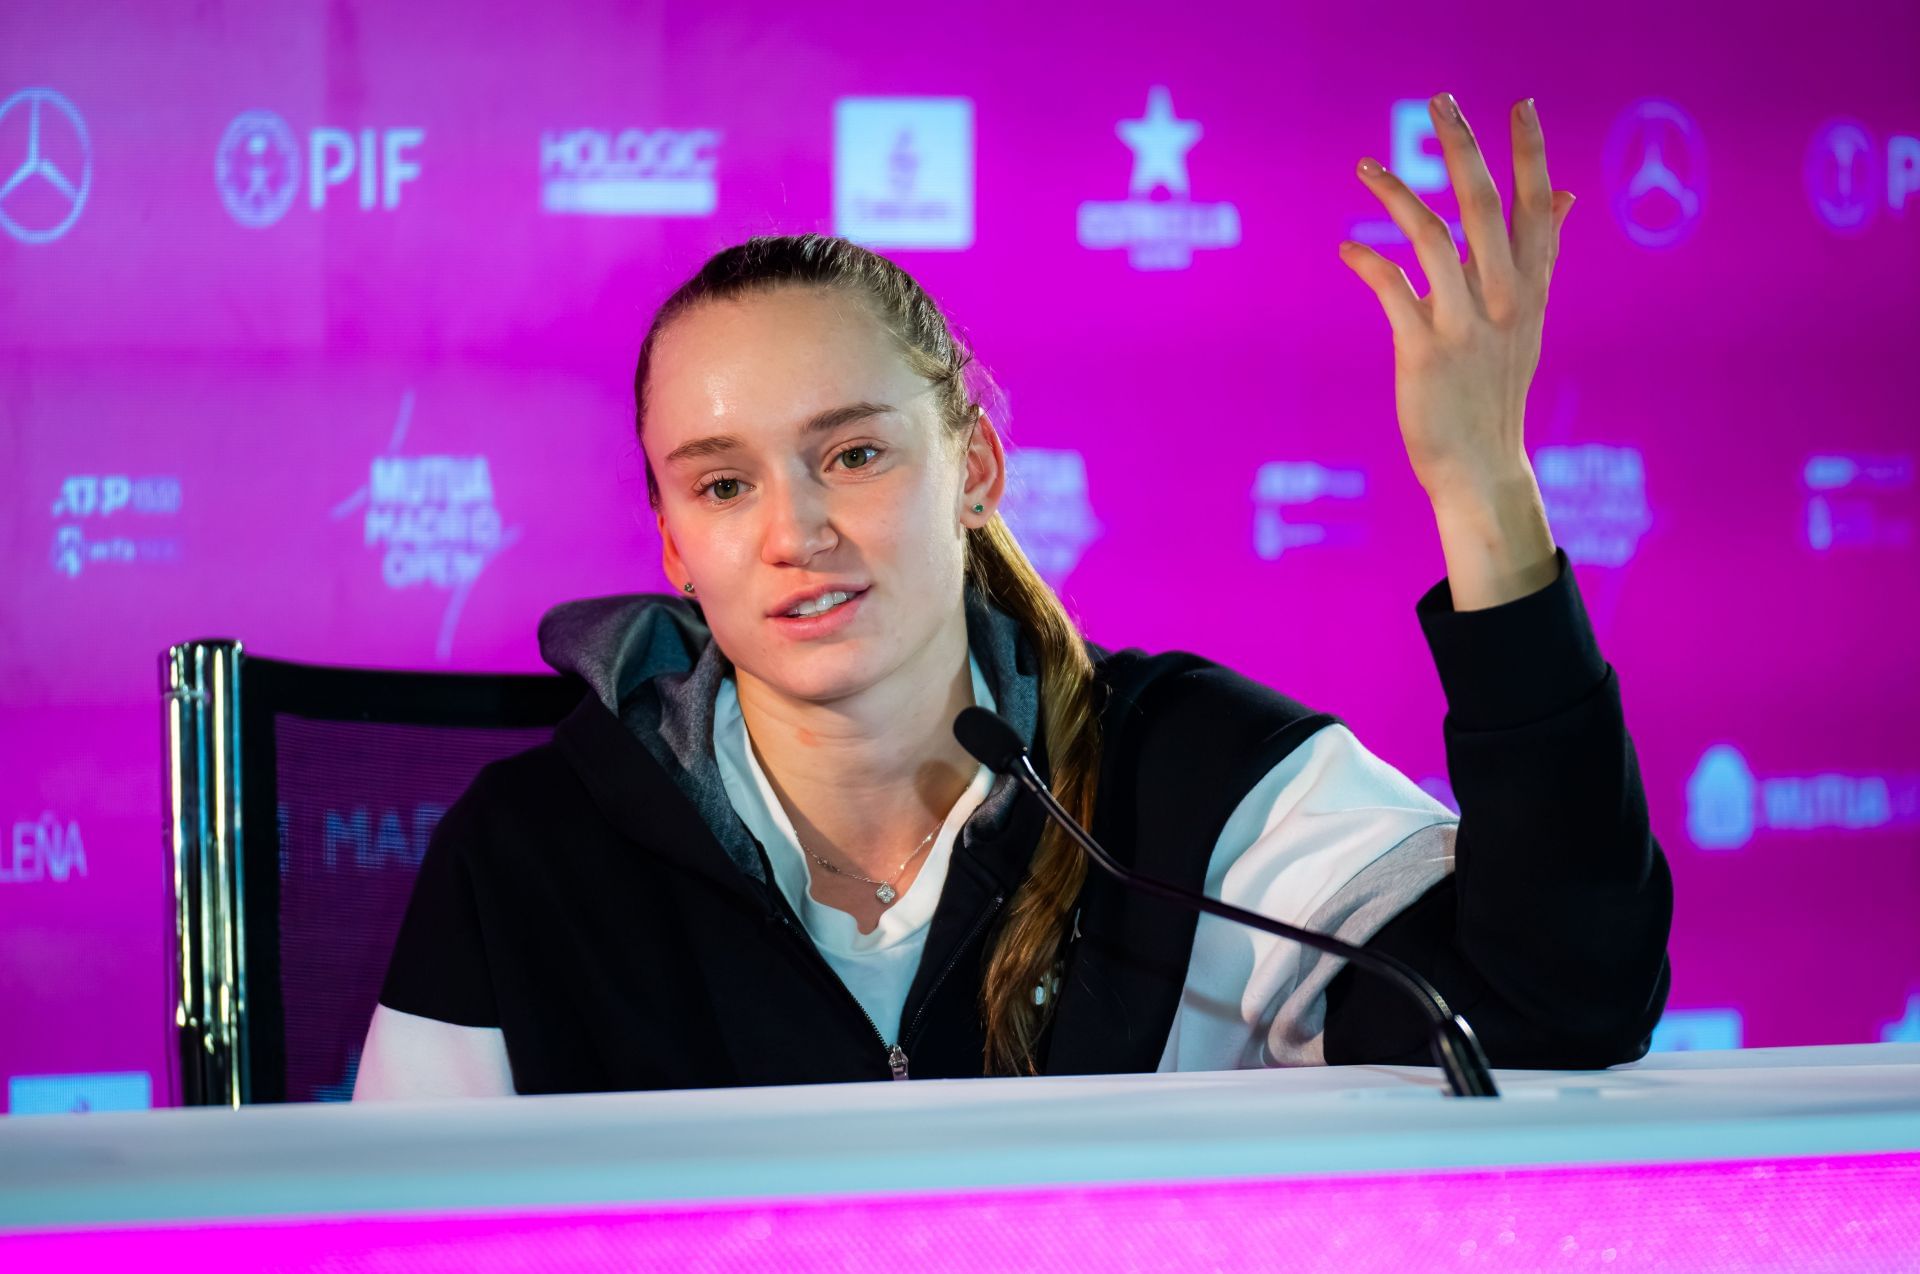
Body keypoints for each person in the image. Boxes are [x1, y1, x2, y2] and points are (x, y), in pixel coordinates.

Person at [354, 94, 1671, 1100]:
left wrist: (1484, 488)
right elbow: (395, 1231)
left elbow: (1559, 1002)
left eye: (853, 455)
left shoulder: (1188, 778)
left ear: (974, 468)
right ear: (673, 547)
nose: (796, 532)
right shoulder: (529, 852)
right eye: (724, 484)